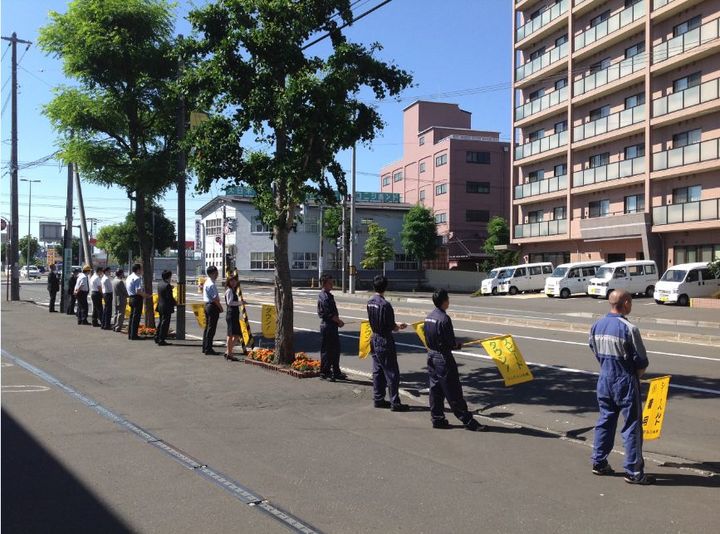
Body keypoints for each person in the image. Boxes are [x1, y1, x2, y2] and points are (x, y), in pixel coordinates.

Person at [589, 289, 654, 485]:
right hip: (625, 380)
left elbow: (593, 348)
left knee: (605, 420)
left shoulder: (596, 325)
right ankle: (633, 471)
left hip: (605, 378)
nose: (631, 305)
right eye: (631, 302)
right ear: (625, 302)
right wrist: (634, 377)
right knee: (632, 426)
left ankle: (599, 462)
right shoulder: (629, 328)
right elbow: (641, 362)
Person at [424, 289, 486, 432]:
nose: (449, 301)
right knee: (453, 390)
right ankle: (468, 420)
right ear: (444, 301)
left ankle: (437, 418)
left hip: (431, 356)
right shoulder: (444, 319)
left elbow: (427, 339)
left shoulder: (428, 317)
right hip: (443, 358)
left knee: (435, 389)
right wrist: (457, 345)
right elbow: (451, 342)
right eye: (448, 299)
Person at [366, 275, 409, 411]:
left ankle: (378, 398)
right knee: (392, 372)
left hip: (374, 337)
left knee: (377, 370)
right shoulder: (385, 305)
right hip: (384, 339)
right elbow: (391, 326)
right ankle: (395, 402)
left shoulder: (370, 302)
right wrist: (399, 326)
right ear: (386, 287)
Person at [317, 273, 346, 381]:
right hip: (328, 326)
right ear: (324, 284)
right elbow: (329, 314)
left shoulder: (327, 295)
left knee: (335, 350)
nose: (332, 284)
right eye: (330, 283)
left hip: (331, 326)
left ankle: (336, 371)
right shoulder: (324, 297)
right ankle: (325, 372)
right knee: (328, 350)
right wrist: (339, 321)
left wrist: (337, 322)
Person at [223, 274, 246, 361]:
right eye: (231, 281)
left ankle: (228, 352)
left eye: (235, 281)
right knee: (231, 334)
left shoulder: (232, 290)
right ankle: (229, 353)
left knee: (236, 334)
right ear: (228, 282)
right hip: (231, 314)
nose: (233, 282)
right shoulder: (229, 291)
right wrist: (241, 302)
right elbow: (230, 302)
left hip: (233, 314)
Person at [202, 266, 223, 355]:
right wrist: (220, 307)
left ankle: (205, 347)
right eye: (216, 272)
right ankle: (208, 348)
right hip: (212, 306)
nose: (217, 274)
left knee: (207, 328)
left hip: (207, 305)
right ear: (213, 273)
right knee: (211, 328)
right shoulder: (211, 284)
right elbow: (215, 299)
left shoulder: (207, 281)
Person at [155, 269, 176, 346]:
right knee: (165, 323)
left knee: (161, 322)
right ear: (169, 277)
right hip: (166, 307)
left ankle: (157, 336)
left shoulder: (160, 283)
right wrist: (175, 303)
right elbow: (169, 297)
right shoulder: (167, 285)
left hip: (160, 305)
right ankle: (161, 339)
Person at [126, 263, 147, 340]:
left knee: (132, 317)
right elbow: (138, 291)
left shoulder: (129, 277)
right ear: (138, 270)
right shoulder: (137, 278)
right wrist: (145, 295)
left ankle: (130, 334)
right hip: (137, 298)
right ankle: (134, 335)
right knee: (136, 318)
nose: (142, 270)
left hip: (131, 298)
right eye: (141, 269)